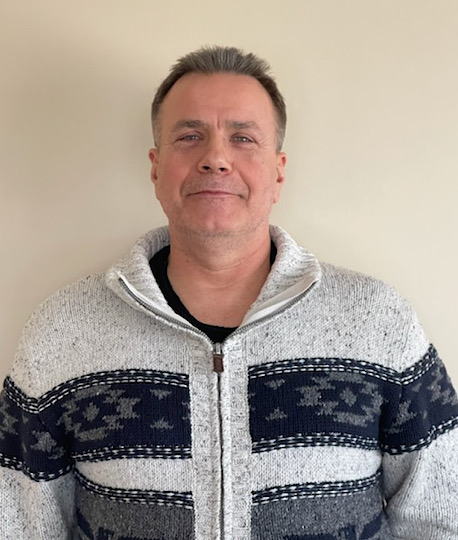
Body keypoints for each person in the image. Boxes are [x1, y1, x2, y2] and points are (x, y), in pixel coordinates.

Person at [0, 46, 457, 540]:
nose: (216, 158)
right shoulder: (62, 332)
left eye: (243, 138)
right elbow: (18, 525)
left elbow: (442, 517)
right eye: (189, 136)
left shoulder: (378, 321)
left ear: (278, 170)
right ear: (156, 167)